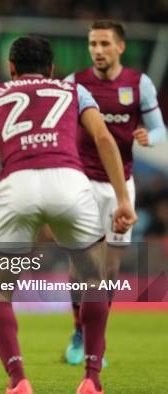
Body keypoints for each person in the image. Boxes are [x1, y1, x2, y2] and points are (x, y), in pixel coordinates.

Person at [0, 37, 137, 394]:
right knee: (95, 280)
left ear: (11, 68)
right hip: (69, 183)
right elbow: (102, 136)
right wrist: (122, 198)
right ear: (52, 69)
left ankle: (18, 381)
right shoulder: (74, 90)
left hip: (17, 185)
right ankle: (92, 381)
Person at [63, 20, 167, 366]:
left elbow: (159, 130)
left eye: (105, 44)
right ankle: (80, 334)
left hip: (122, 185)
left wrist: (148, 138)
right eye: (93, 44)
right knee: (81, 265)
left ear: (119, 47)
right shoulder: (75, 83)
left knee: (109, 270)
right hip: (82, 182)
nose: (97, 50)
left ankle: (96, 336)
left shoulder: (139, 84)